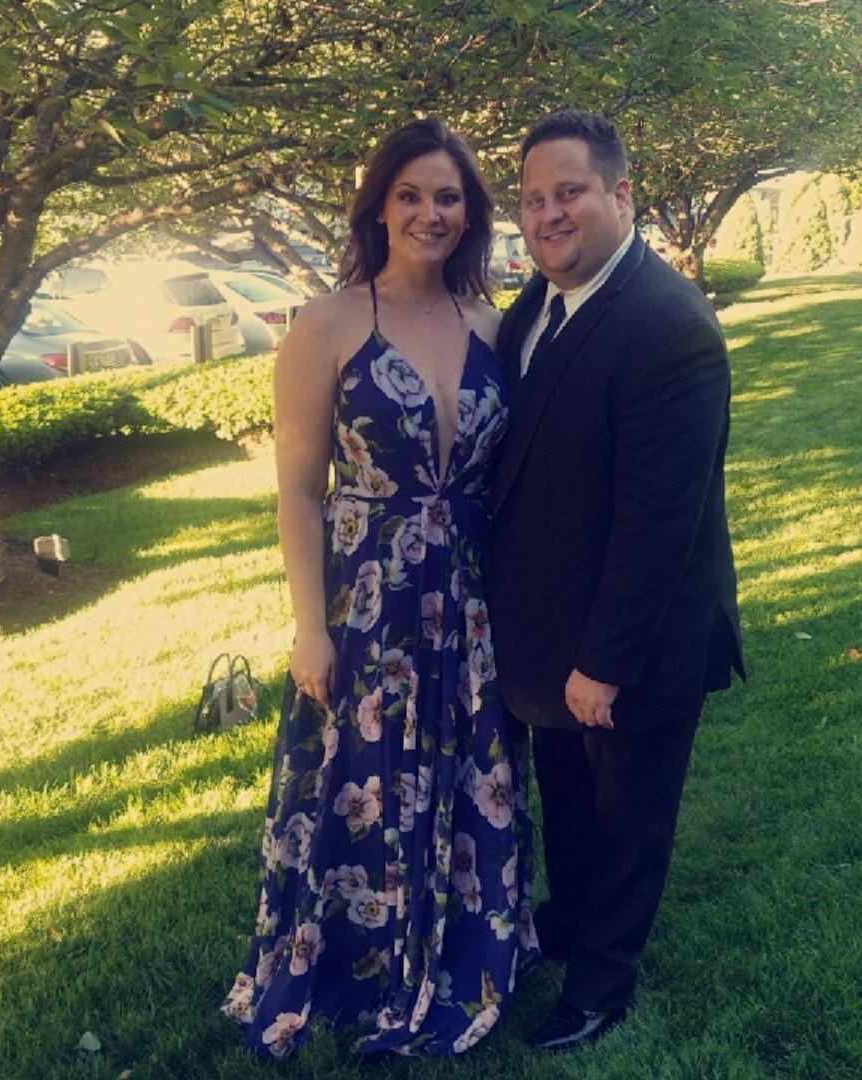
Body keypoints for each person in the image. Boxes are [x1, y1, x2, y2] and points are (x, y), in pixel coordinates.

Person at [221, 117, 539, 1060]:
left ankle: (462, 949)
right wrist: (307, 628)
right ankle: (357, 961)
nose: (429, 213)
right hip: (365, 599)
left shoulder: (493, 325)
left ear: (470, 214)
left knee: (465, 771)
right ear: (378, 207)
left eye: (448, 197)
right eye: (410, 195)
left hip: (471, 600)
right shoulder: (326, 324)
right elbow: (297, 490)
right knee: (359, 777)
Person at [487, 110, 744, 1052]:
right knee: (570, 798)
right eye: (533, 200)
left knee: (628, 815)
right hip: (556, 630)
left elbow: (658, 523)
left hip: (636, 641)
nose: (549, 214)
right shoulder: (539, 306)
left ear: (621, 194)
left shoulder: (668, 327)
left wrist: (603, 662)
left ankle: (601, 985)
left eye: (571, 192)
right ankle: (570, 919)